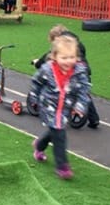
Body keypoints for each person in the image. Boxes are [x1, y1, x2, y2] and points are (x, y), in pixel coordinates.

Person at [30, 35, 91, 179]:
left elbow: (84, 90)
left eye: (71, 57)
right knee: (59, 134)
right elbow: (37, 83)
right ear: (55, 57)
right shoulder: (47, 69)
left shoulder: (80, 72)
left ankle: (39, 145)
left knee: (55, 129)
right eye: (64, 58)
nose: (68, 61)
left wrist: (80, 106)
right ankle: (62, 166)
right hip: (49, 105)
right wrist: (34, 98)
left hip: (65, 107)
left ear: (77, 57)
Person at [33, 25, 100, 128]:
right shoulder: (77, 43)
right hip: (84, 71)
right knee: (83, 94)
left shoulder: (62, 48)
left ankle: (58, 113)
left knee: (62, 91)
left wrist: (38, 63)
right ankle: (94, 119)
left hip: (71, 73)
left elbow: (47, 57)